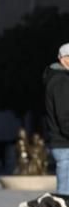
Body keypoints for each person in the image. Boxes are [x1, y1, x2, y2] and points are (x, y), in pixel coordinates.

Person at [47, 43, 69, 194]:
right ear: (64, 59)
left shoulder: (59, 79)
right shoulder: (61, 81)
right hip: (65, 145)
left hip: (62, 144)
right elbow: (64, 116)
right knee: (65, 196)